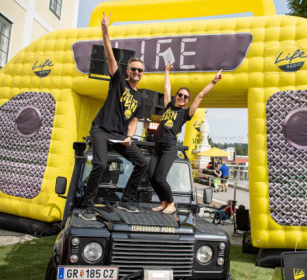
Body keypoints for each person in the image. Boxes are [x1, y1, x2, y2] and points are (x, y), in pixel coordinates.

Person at [79, 12, 147, 221]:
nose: (136, 72)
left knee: (143, 163)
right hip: (101, 129)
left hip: (119, 135)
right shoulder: (118, 80)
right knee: (100, 164)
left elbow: (134, 120)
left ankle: (125, 202)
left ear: (143, 74)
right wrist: (105, 31)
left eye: (140, 70)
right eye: (134, 69)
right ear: (128, 71)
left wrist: (129, 136)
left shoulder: (141, 97)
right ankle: (87, 206)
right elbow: (109, 55)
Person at [149, 62, 223, 214]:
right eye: (180, 95)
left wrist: (213, 82)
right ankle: (163, 202)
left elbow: (201, 95)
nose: (182, 97)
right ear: (176, 96)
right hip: (158, 146)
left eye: (185, 97)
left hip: (170, 147)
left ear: (187, 101)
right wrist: (167, 72)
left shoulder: (186, 113)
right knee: (151, 177)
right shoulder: (169, 105)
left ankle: (171, 203)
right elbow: (166, 88)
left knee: (160, 178)